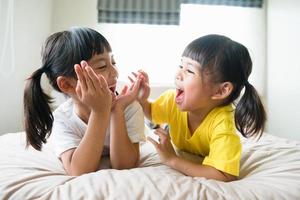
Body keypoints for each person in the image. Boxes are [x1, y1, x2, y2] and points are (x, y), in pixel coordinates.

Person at [132, 34, 266, 182]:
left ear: (220, 91)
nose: (178, 74)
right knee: (157, 122)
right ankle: (160, 127)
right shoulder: (172, 99)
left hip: (194, 147)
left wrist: (172, 160)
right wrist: (143, 100)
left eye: (189, 71)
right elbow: (152, 111)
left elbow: (224, 174)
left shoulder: (223, 124)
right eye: (181, 66)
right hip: (174, 132)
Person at [23, 27, 145, 176]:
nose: (115, 72)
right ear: (67, 85)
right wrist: (100, 112)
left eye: (113, 62)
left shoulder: (128, 107)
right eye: (102, 66)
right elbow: (78, 170)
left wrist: (116, 110)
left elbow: (124, 165)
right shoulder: (63, 119)